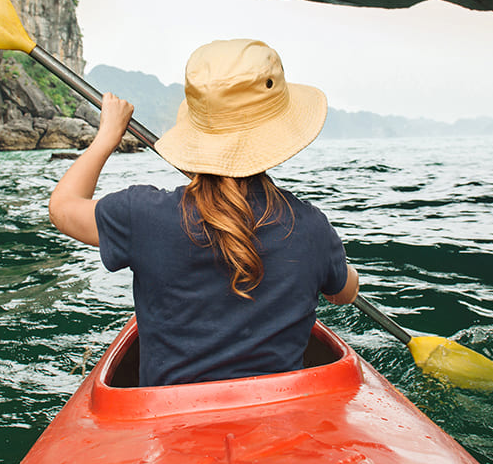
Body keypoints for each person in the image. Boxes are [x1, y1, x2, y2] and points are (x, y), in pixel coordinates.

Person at [48, 39, 359, 387]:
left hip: (169, 423)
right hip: (277, 415)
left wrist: (107, 136)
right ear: (280, 132)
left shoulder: (141, 215)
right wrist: (331, 263)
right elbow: (344, 293)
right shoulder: (312, 228)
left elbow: (62, 208)